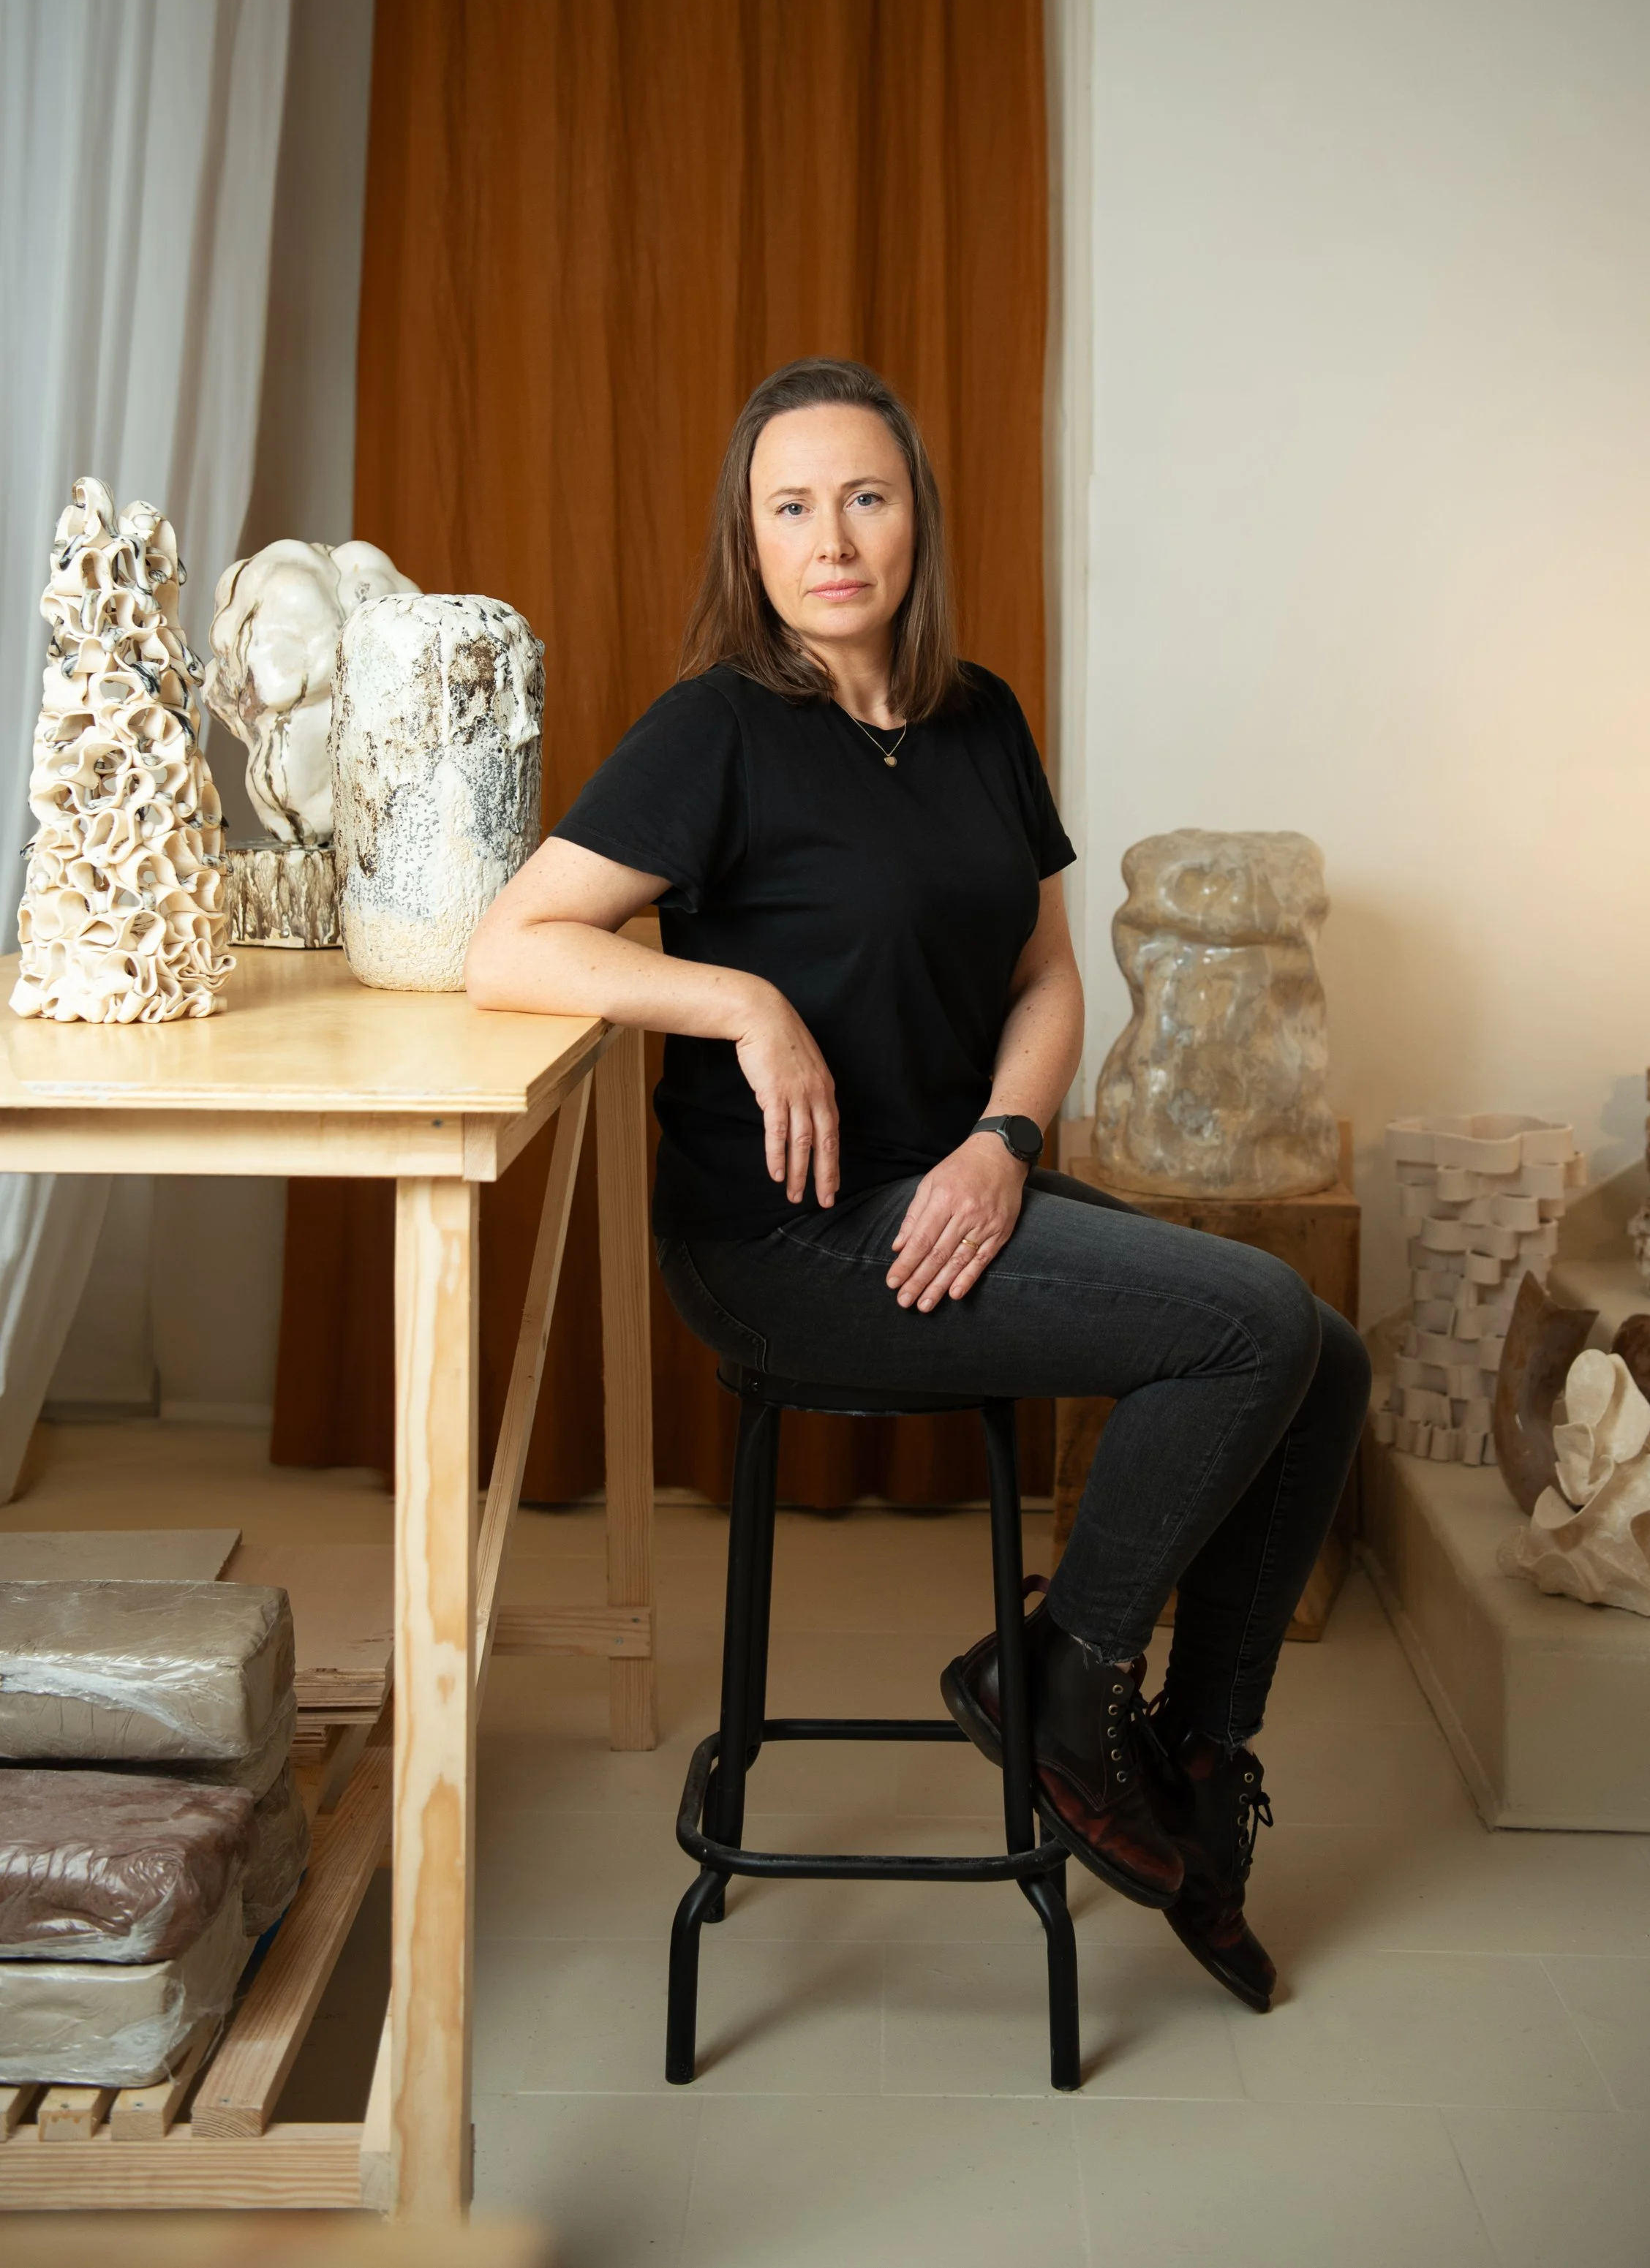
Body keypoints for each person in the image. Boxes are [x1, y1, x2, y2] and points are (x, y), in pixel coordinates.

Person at [467, 355, 1370, 2011]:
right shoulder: (717, 730)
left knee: (1329, 1348)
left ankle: (1185, 1767)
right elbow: (508, 947)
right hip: (787, 1241)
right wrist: (741, 1003)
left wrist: (1003, 1141)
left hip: (958, 1189)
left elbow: (1044, 976)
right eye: (790, 506)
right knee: (1250, 1323)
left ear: (913, 520)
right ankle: (1057, 1680)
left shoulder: (978, 718)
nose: (832, 538)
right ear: (749, 541)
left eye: (863, 497)